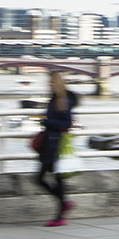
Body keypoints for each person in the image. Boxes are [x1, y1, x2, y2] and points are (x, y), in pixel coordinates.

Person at [34, 72, 77, 227]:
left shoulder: (62, 100)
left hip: (55, 144)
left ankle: (63, 208)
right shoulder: (55, 99)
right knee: (56, 179)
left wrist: (47, 122)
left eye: (51, 82)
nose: (48, 85)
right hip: (50, 142)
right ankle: (63, 208)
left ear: (56, 83)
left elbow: (66, 122)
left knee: (42, 178)